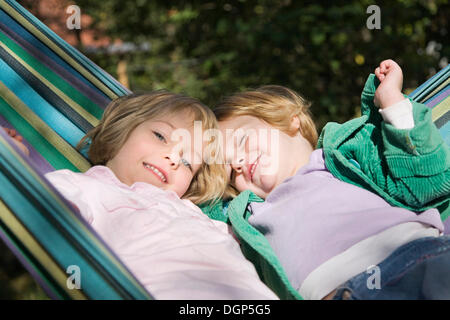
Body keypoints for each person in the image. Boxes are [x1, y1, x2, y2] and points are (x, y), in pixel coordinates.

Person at [215, 59, 450, 300]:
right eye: (231, 173)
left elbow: (426, 183)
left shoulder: (343, 158)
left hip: (415, 257)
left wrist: (391, 100)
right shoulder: (248, 217)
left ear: (288, 119)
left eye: (241, 141)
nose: (238, 163)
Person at [32, 91, 278, 300]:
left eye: (186, 162)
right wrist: (15, 155)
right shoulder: (85, 187)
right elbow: (39, 208)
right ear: (121, 129)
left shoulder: (193, 212)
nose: (172, 157)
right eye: (160, 136)